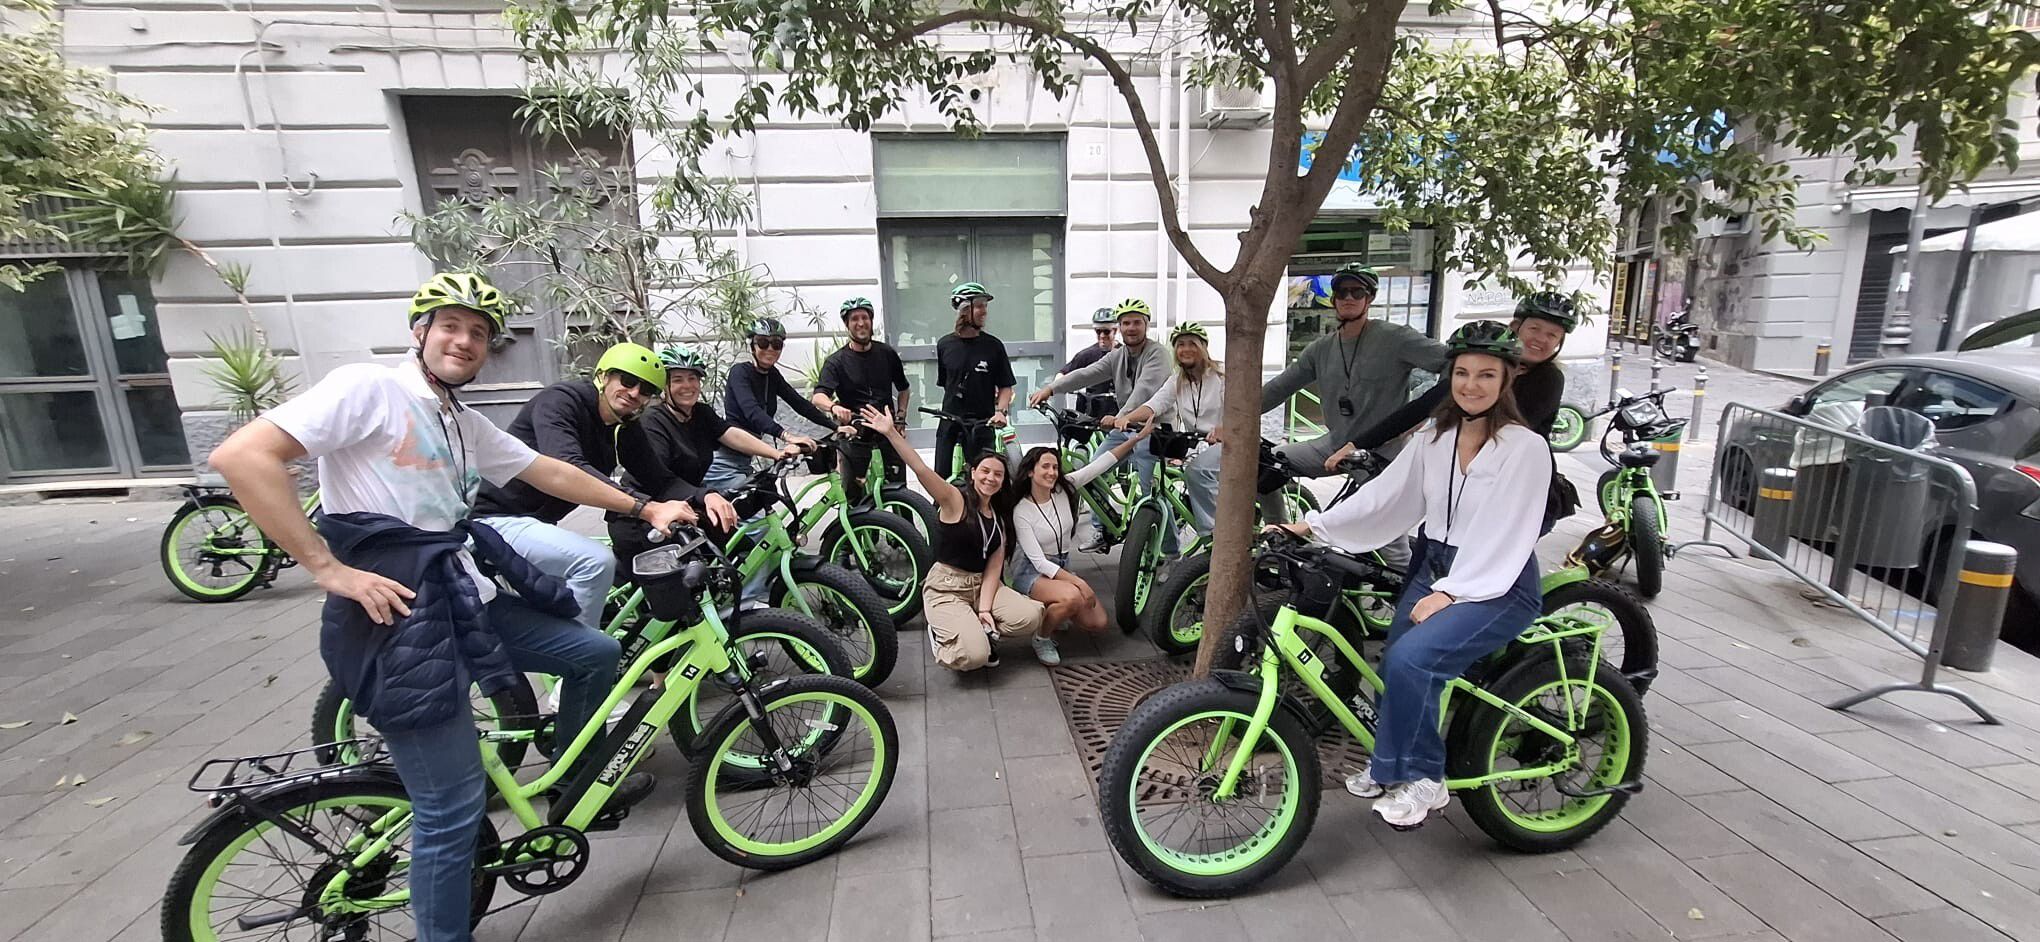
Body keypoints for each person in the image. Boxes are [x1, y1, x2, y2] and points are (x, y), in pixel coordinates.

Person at [207, 273, 696, 942]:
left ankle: (576, 785)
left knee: (596, 652)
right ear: (421, 332)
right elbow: (243, 456)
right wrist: (327, 568)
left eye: (478, 333)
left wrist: (646, 505)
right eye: (450, 326)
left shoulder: (460, 421)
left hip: (462, 595)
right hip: (400, 615)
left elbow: (546, 471)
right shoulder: (370, 389)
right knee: (451, 809)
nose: (464, 341)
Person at [1270, 321, 1551, 830]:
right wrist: (1314, 525)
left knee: (1414, 662)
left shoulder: (1525, 447)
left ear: (1507, 380)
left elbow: (1508, 530)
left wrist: (1452, 593)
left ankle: (1426, 777)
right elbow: (1388, 495)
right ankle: (1388, 765)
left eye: (1487, 374)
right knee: (1391, 668)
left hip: (1497, 580)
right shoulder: (1435, 436)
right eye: (1462, 373)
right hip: (1435, 563)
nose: (1471, 384)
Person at [469, 341, 667, 632]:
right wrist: (644, 508)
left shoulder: (622, 426)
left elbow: (658, 478)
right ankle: (576, 662)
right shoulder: (562, 401)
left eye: (646, 390)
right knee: (596, 563)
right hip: (494, 520)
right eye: (627, 380)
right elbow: (568, 466)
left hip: (537, 525)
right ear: (603, 376)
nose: (635, 393)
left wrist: (705, 499)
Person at [860, 404, 1047, 671]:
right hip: (947, 588)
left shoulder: (1000, 515)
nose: (990, 478)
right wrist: (891, 433)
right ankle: (945, 635)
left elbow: (994, 567)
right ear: (972, 473)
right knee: (975, 658)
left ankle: (975, 625)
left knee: (1031, 616)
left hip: (981, 585)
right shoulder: (955, 500)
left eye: (998, 474)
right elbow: (921, 470)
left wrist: (984, 610)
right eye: (985, 471)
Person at [613, 345, 801, 603]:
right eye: (677, 379)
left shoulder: (700, 413)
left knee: (736, 540)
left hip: (686, 505)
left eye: (693, 378)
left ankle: (740, 602)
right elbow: (661, 481)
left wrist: (775, 453)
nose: (687, 386)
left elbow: (730, 434)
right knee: (683, 589)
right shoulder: (652, 422)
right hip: (647, 514)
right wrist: (707, 496)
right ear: (664, 387)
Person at [1259, 263, 1448, 477]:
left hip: (1383, 453)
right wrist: (1232, 421)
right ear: (1333, 299)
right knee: (1263, 465)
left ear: (1370, 298)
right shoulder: (1321, 349)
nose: (1349, 297)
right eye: (1342, 292)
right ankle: (1276, 513)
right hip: (1335, 445)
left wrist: (1423, 412)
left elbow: (1453, 362)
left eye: (1357, 292)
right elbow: (1279, 387)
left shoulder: (1396, 338)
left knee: (1367, 508)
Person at [1345, 291, 1577, 448]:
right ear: (1516, 327)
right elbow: (1425, 405)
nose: (1540, 339)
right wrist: (1358, 444)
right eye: (1535, 328)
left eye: (1552, 335)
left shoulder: (1549, 378)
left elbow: (1513, 430)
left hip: (1518, 485)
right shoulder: (1487, 364)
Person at [1026, 298, 1170, 550]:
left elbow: (1145, 389)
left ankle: (1168, 551)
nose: (1131, 328)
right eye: (1126, 323)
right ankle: (1101, 529)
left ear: (1146, 325)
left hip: (1152, 431)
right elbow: (1086, 373)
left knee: (1151, 496)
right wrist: (1051, 388)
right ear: (1120, 327)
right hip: (1123, 428)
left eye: (1137, 322)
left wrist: (1121, 417)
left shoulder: (1158, 354)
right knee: (1092, 472)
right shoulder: (1118, 356)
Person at [1005, 424, 1154, 655]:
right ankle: (1042, 637)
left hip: (1062, 565)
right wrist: (1080, 583)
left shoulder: (1065, 488)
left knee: (1098, 623)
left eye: (1055, 467)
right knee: (1073, 596)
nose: (1052, 472)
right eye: (1045, 467)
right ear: (1030, 472)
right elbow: (1039, 563)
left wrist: (1135, 440)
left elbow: (1101, 464)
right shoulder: (1022, 510)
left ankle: (1056, 607)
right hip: (1031, 572)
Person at [704, 317, 846, 495]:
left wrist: (836, 427)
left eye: (776, 344)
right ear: (752, 346)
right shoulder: (740, 372)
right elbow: (752, 411)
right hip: (723, 463)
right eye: (763, 343)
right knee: (759, 519)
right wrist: (787, 436)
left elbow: (799, 403)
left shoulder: (772, 375)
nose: (770, 349)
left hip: (743, 461)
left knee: (766, 506)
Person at [1118, 322, 1226, 535]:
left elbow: (1240, 408)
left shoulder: (1221, 375)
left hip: (1229, 442)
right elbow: (1155, 404)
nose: (1186, 350)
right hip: (1197, 443)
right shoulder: (1177, 379)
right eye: (1180, 345)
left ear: (1203, 347)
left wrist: (1225, 427)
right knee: (1173, 470)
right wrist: (1125, 418)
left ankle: (1215, 535)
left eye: (1192, 344)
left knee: (1198, 471)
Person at [813, 297, 911, 504]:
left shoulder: (886, 353)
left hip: (887, 431)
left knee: (899, 491)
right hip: (855, 433)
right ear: (847, 325)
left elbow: (904, 389)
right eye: (854, 319)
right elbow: (818, 396)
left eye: (865, 317)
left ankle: (902, 534)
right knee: (854, 495)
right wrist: (834, 407)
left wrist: (901, 417)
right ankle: (863, 536)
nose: (861, 323)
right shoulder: (836, 362)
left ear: (871, 320)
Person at [934, 282, 1017, 479]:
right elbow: (947, 384)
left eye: (985, 306)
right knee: (942, 479)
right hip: (950, 423)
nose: (984, 312)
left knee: (983, 481)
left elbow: (1006, 386)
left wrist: (1001, 412)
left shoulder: (993, 346)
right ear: (964, 309)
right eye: (979, 306)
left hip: (982, 424)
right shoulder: (944, 345)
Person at [1050, 307, 1120, 418]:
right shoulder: (1088, 354)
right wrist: (1055, 387)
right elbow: (1064, 373)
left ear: (1115, 331)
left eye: (1106, 331)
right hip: (1092, 411)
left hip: (1117, 411)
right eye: (1098, 331)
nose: (1102, 335)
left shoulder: (1124, 353)